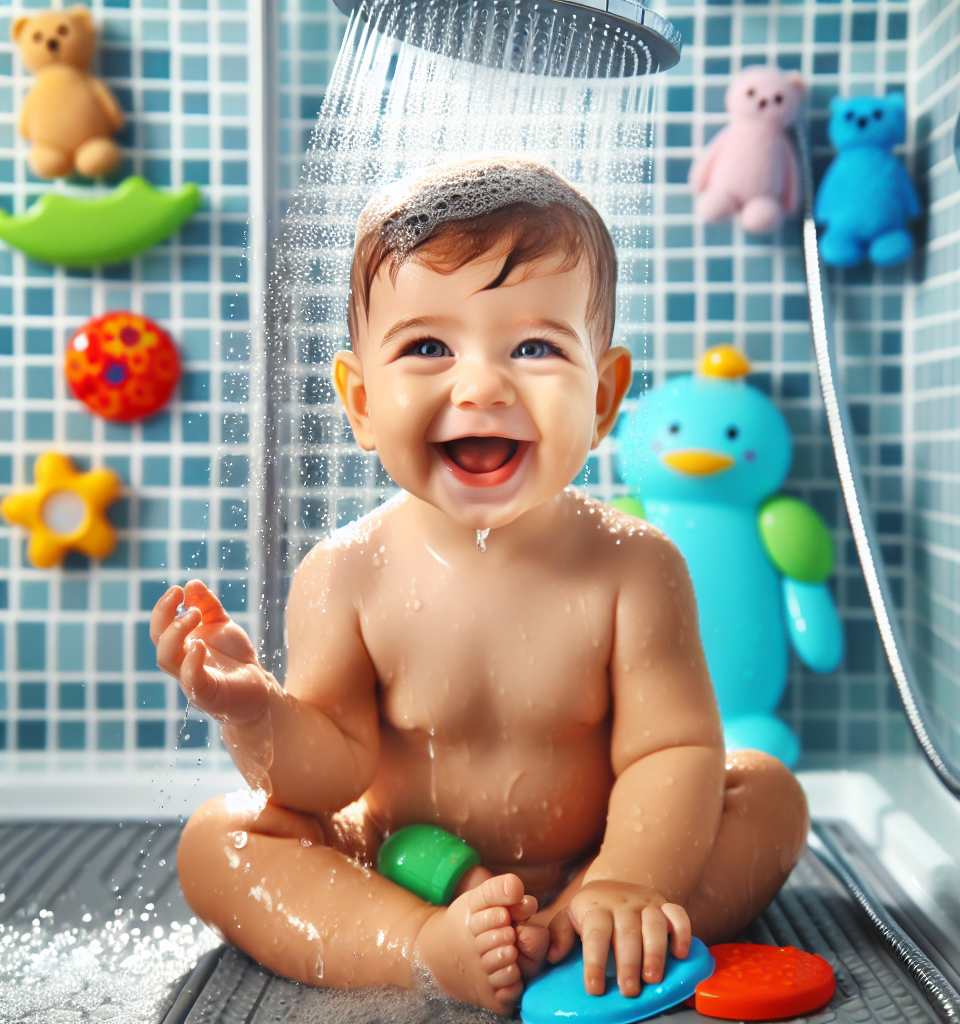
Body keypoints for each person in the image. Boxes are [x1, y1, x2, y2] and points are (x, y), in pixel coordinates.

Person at [151, 157, 809, 1016]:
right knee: (221, 839)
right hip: (401, 866)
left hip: (606, 851)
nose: (482, 385)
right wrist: (251, 710)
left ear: (604, 396)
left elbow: (669, 752)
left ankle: (594, 924)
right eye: (428, 347)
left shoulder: (634, 565)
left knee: (765, 793)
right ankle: (417, 947)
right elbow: (329, 771)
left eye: (534, 347)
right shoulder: (346, 573)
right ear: (359, 400)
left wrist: (626, 877)